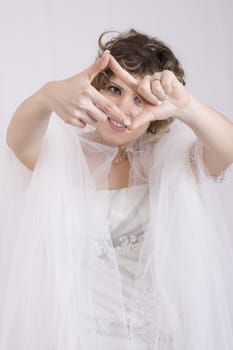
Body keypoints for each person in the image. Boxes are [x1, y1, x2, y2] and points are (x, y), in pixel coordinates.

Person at [0, 29, 233, 350]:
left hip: (158, 338)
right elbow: (17, 141)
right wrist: (46, 95)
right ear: (95, 89)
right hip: (76, 337)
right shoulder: (63, 156)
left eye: (140, 99)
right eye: (114, 89)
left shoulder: (170, 160)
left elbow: (228, 148)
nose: (122, 109)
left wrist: (187, 106)